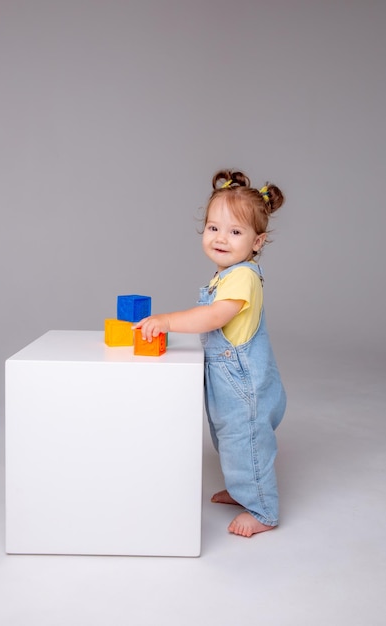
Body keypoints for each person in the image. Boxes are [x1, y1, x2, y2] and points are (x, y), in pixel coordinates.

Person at [133, 169, 286, 538]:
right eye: (214, 228)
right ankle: (241, 489)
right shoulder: (227, 274)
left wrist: (168, 321)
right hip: (228, 385)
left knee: (244, 442)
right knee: (229, 442)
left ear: (257, 241)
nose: (221, 238)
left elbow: (214, 316)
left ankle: (263, 509)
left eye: (235, 232)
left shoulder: (243, 277)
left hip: (244, 387)